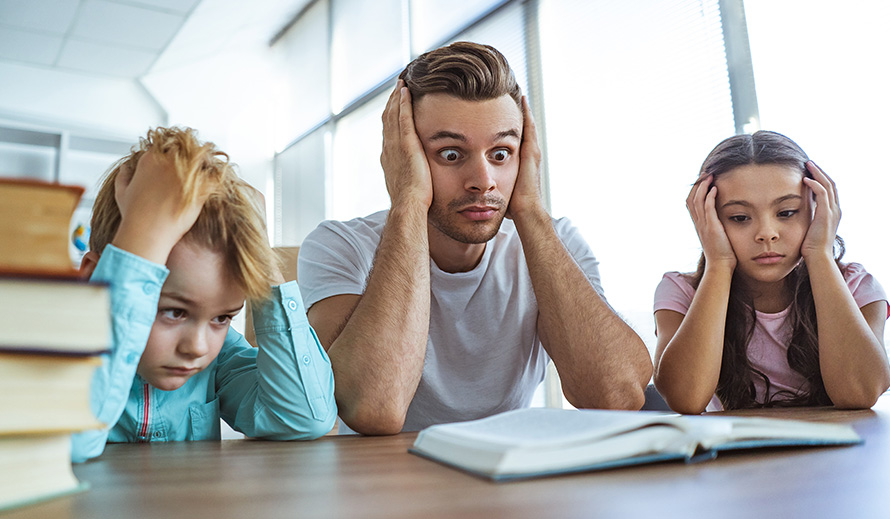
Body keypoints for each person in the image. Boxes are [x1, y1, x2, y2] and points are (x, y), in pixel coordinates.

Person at [297, 41, 652, 435]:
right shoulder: (339, 246)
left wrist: (531, 211)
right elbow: (371, 407)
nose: (484, 182)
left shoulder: (554, 242)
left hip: (505, 482)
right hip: (378, 486)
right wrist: (409, 203)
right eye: (450, 154)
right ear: (402, 153)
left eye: (501, 154)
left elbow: (615, 397)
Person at [72, 127, 336, 462]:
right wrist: (141, 238)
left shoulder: (219, 356)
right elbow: (74, 440)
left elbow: (305, 418)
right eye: (174, 312)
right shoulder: (48, 352)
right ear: (93, 275)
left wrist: (261, 260)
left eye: (222, 317)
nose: (197, 347)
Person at [653, 130, 890, 414]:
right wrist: (718, 265)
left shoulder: (855, 285)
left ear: (817, 209)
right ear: (708, 218)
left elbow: (860, 393)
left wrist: (819, 255)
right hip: (735, 456)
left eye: (787, 212)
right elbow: (686, 399)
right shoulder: (681, 292)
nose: (766, 234)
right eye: (740, 218)